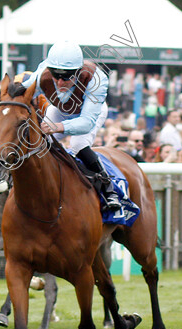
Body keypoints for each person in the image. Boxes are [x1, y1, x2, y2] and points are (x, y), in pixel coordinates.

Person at [20, 41, 121, 211]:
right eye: (55, 76)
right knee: (42, 144)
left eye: (66, 77)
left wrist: (58, 127)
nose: (60, 82)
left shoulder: (96, 78)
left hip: (88, 113)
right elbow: (21, 91)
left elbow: (86, 122)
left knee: (78, 144)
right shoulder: (42, 73)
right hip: (59, 109)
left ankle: (108, 188)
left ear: (77, 71)